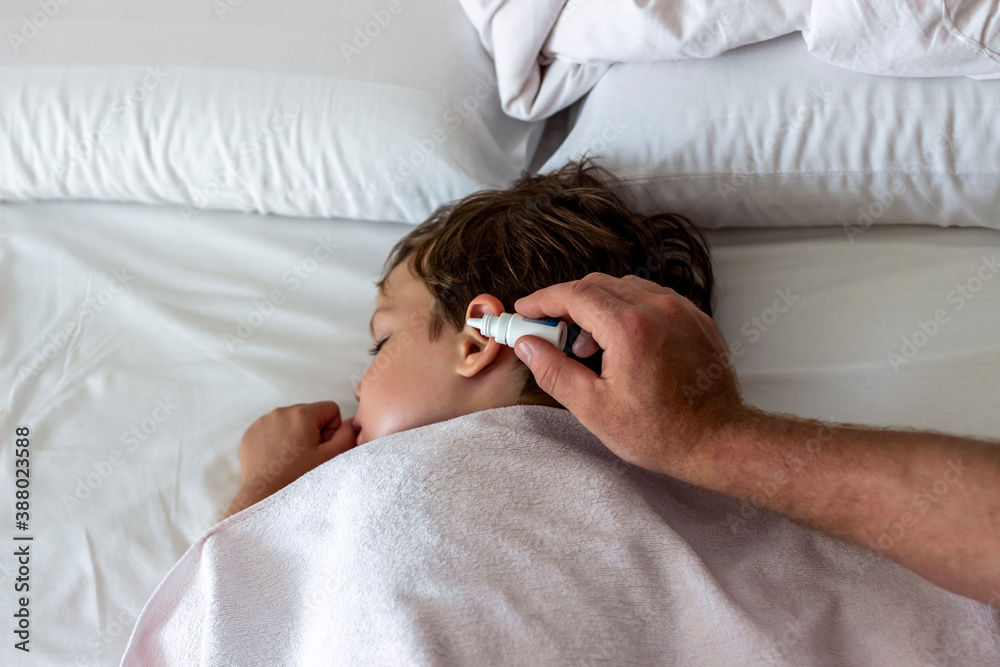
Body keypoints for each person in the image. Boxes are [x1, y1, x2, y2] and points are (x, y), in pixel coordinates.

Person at [225, 159, 1000, 608]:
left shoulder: (389, 493)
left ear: (477, 337)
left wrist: (259, 499)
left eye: (382, 342)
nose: (356, 386)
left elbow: (227, 630)